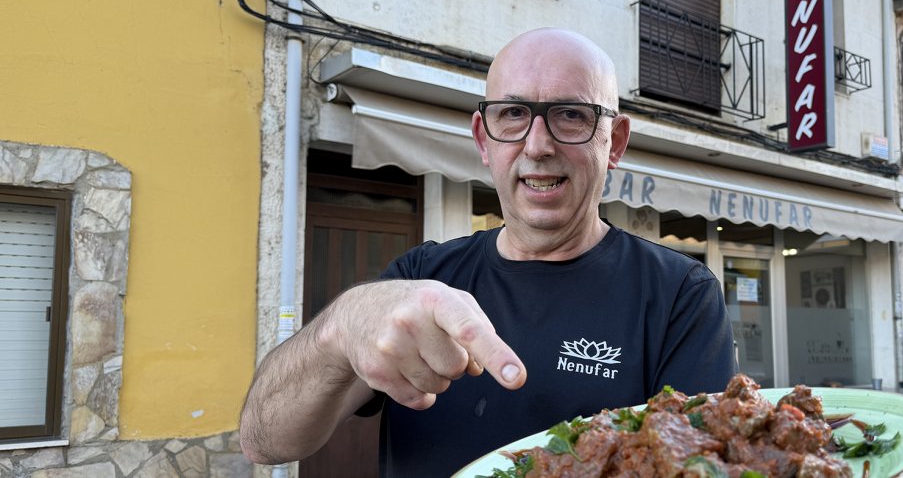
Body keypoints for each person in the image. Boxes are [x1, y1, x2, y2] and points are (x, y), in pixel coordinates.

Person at [239, 28, 738, 476]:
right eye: (514, 114)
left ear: (615, 142)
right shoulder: (419, 277)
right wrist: (340, 328)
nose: (538, 144)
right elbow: (264, 441)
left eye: (570, 115)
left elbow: (701, 464)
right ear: (484, 138)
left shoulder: (679, 295)